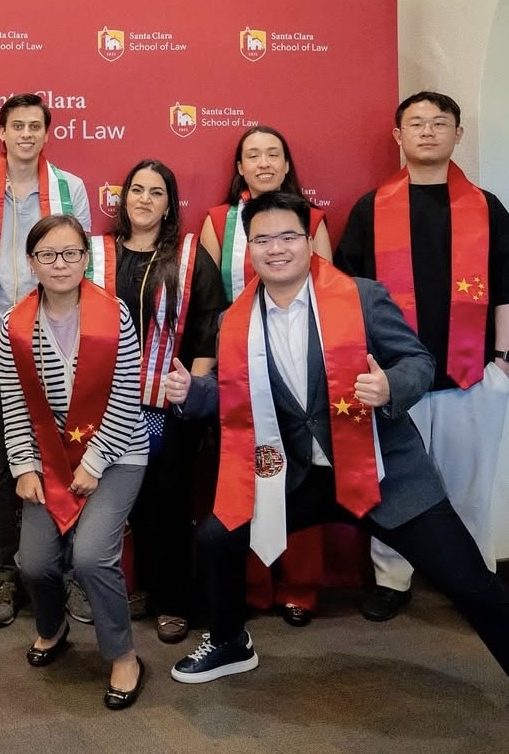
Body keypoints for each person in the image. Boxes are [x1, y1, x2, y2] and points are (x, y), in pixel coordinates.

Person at [165, 191, 509, 736]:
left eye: (288, 237)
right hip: (298, 474)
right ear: (251, 250)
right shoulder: (234, 321)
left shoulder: (360, 297)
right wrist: (190, 393)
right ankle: (228, 641)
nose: (276, 249)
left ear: (308, 240)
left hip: (386, 470)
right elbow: (234, 398)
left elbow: (418, 361)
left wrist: (389, 387)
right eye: (263, 239)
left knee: (468, 580)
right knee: (217, 538)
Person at [336, 91, 509, 622]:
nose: (427, 132)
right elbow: (345, 296)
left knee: (470, 480)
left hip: (470, 374)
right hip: (392, 379)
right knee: (393, 482)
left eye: (439, 123)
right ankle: (392, 578)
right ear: (398, 136)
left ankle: (473, 579)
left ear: (457, 134)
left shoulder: (485, 207)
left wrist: (504, 361)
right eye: (415, 123)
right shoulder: (370, 208)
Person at [0, 93, 91, 626]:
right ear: (2, 132)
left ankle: (70, 574)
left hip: (59, 337)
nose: (27, 134)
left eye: (36, 125)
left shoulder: (69, 189)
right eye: (17, 125)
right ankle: (6, 576)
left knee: (66, 461)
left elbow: (79, 264)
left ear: (46, 133)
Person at [0, 214, 148, 709]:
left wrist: (96, 462)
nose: (59, 264)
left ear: (86, 258)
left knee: (90, 556)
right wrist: (23, 466)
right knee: (36, 563)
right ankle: (53, 626)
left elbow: (127, 398)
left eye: (70, 253)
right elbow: (15, 404)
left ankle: (123, 654)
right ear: (32, 262)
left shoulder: (115, 315)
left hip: (118, 453)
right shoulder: (14, 326)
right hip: (50, 459)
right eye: (47, 255)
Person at [199, 125, 335, 627]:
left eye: (272, 154)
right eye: (251, 155)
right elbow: (210, 299)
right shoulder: (218, 221)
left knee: (303, 472)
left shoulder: (311, 218)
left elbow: (330, 295)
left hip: (301, 366)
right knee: (247, 473)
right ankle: (253, 587)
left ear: (285, 164)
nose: (262, 163)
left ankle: (299, 588)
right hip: (242, 365)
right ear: (239, 167)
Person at [87, 160, 226, 643]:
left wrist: (193, 393)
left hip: (169, 405)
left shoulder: (188, 256)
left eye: (157, 192)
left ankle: (175, 599)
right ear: (123, 198)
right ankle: (145, 585)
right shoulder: (96, 255)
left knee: (168, 500)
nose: (144, 199)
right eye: (137, 190)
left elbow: (209, 327)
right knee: (131, 501)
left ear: (170, 205)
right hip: (108, 407)